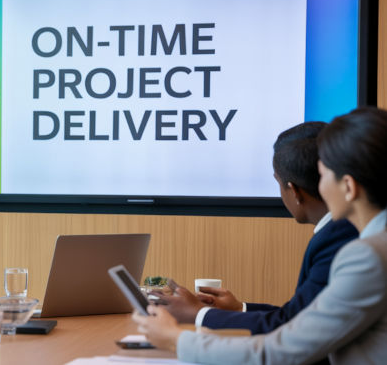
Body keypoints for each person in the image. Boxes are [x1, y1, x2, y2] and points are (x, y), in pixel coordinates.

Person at [134, 107, 387, 364]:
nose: (318, 186)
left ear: (348, 186)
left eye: (322, 175)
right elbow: (303, 320)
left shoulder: (368, 256)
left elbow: (281, 350)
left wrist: (175, 339)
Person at [154, 122, 358, 336]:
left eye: (278, 183)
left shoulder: (339, 238)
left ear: (295, 191)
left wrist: (198, 314)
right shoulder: (340, 231)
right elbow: (297, 314)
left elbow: (294, 328)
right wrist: (239, 308)